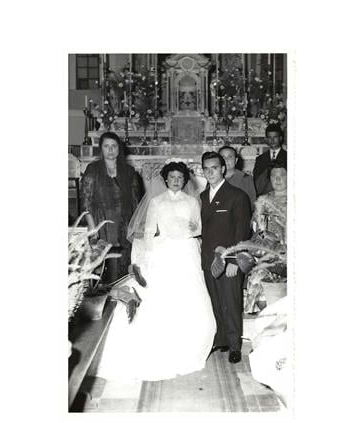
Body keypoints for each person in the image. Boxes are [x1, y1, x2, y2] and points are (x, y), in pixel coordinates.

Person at [93, 162, 216, 381]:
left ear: (185, 180)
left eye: (180, 177)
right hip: (164, 251)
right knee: (162, 295)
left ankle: (189, 342)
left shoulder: (192, 201)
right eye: (172, 177)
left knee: (189, 294)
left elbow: (198, 227)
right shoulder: (157, 201)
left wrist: (191, 229)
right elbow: (149, 231)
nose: (176, 181)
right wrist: (148, 258)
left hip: (186, 251)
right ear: (165, 179)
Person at [200, 151, 251, 364]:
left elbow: (242, 232)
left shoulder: (237, 196)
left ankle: (234, 345)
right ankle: (220, 339)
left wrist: (235, 261)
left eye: (214, 168)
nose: (210, 172)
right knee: (215, 301)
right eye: (206, 169)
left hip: (229, 260)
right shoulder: (202, 197)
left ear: (223, 169)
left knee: (231, 302)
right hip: (208, 259)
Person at [80, 131, 143, 282]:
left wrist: (135, 227)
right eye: (106, 146)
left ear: (119, 149)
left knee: (124, 264)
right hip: (102, 223)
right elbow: (86, 201)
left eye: (114, 146)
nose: (110, 150)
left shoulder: (129, 171)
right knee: (105, 266)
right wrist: (92, 227)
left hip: (124, 223)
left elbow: (135, 202)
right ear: (101, 149)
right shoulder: (93, 169)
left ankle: (122, 292)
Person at [252, 123, 287, 196]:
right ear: (266, 139)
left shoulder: (287, 156)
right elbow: (256, 181)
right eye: (269, 137)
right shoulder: (260, 159)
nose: (272, 140)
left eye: (275, 137)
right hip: (264, 196)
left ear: (280, 138)